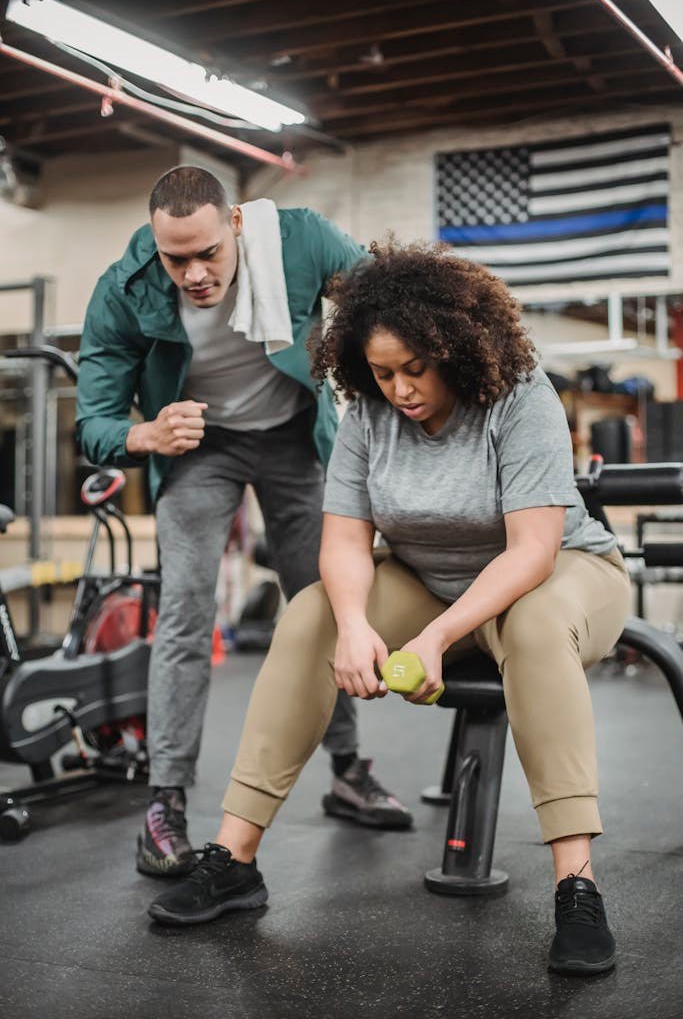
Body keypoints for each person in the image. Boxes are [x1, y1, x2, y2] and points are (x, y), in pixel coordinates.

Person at [147, 241, 632, 976]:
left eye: (415, 369)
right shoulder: (368, 410)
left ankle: (575, 883)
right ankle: (235, 858)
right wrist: (350, 625)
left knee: (532, 626)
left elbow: (531, 550)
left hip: (556, 573)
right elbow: (344, 540)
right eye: (381, 372)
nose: (399, 389)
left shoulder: (518, 393)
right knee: (308, 613)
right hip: (427, 574)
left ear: (456, 351)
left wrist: (436, 636)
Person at [75, 168, 413, 878]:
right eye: (176, 260)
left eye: (207, 254)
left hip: (294, 437)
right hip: (199, 448)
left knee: (321, 604)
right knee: (185, 615)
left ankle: (349, 770)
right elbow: (95, 423)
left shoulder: (300, 241)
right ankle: (163, 805)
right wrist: (146, 435)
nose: (195, 274)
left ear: (235, 226)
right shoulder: (125, 288)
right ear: (156, 247)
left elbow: (390, 301)